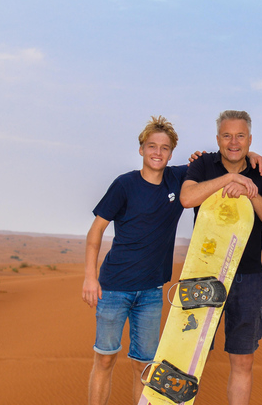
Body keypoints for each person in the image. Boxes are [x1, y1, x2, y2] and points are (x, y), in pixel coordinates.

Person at [179, 109, 262, 405]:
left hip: (248, 277)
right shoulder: (202, 164)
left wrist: (251, 193)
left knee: (242, 362)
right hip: (203, 274)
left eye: (240, 136)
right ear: (218, 139)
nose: (233, 142)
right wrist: (229, 178)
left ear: (249, 139)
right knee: (188, 357)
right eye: (227, 136)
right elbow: (188, 198)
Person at [82, 115, 187, 405]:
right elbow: (96, 232)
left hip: (151, 293)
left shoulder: (179, 179)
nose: (158, 152)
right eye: (152, 146)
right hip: (114, 288)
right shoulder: (124, 185)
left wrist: (249, 154)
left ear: (171, 152)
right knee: (104, 361)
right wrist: (90, 277)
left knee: (144, 368)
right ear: (141, 149)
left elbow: (219, 161)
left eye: (165, 147)